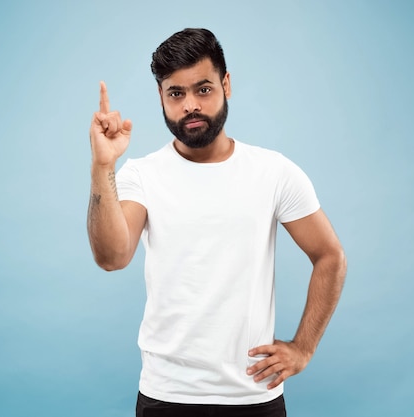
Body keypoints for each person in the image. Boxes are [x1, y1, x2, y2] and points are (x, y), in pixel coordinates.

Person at [87, 28, 347, 417]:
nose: (190, 104)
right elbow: (111, 257)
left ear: (226, 84)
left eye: (203, 89)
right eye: (176, 93)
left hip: (253, 396)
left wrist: (303, 347)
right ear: (161, 96)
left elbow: (330, 256)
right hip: (166, 396)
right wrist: (103, 165)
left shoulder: (274, 172)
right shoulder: (141, 175)